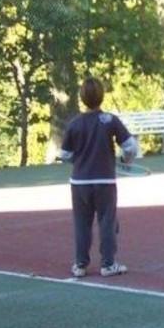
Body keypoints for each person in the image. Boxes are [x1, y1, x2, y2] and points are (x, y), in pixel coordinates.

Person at [57, 77, 138, 278]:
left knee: (81, 223)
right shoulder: (110, 120)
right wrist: (126, 161)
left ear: (82, 97)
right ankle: (108, 264)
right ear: (102, 96)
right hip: (104, 181)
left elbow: (64, 155)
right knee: (107, 222)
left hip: (79, 182)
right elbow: (130, 147)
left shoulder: (75, 123)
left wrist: (79, 161)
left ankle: (80, 264)